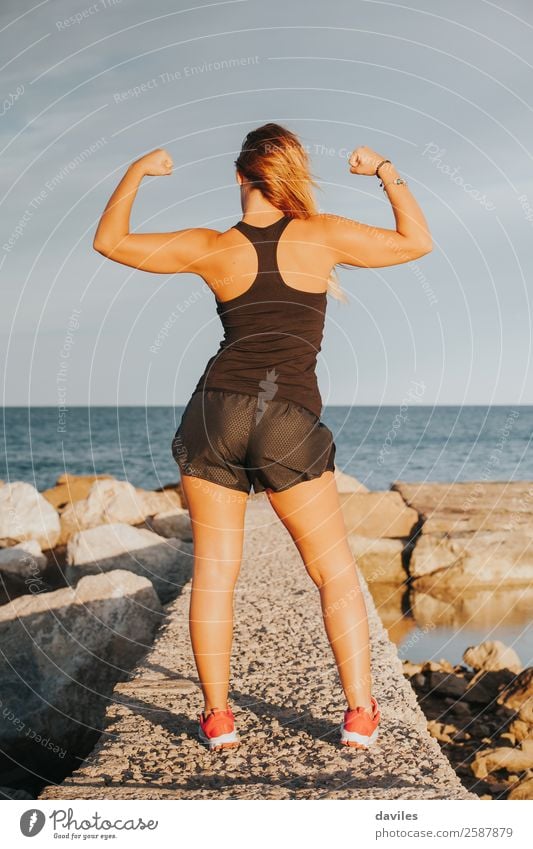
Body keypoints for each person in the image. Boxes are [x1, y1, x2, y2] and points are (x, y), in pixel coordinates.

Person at [93, 123, 432, 752]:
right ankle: (359, 714)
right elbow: (417, 241)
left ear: (239, 176)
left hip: (213, 415)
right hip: (286, 416)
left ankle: (218, 718)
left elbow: (108, 241)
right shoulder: (322, 234)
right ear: (290, 176)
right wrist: (384, 169)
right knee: (333, 574)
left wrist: (138, 168)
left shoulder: (211, 246)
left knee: (216, 575)